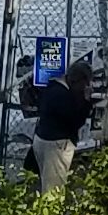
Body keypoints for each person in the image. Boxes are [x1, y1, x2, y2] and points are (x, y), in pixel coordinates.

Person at [27, 55, 98, 192]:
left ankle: (44, 209)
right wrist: (86, 101)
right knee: (54, 188)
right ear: (78, 81)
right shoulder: (63, 96)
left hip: (43, 138)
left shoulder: (53, 87)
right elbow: (76, 121)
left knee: (46, 183)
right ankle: (51, 211)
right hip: (57, 144)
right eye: (86, 83)